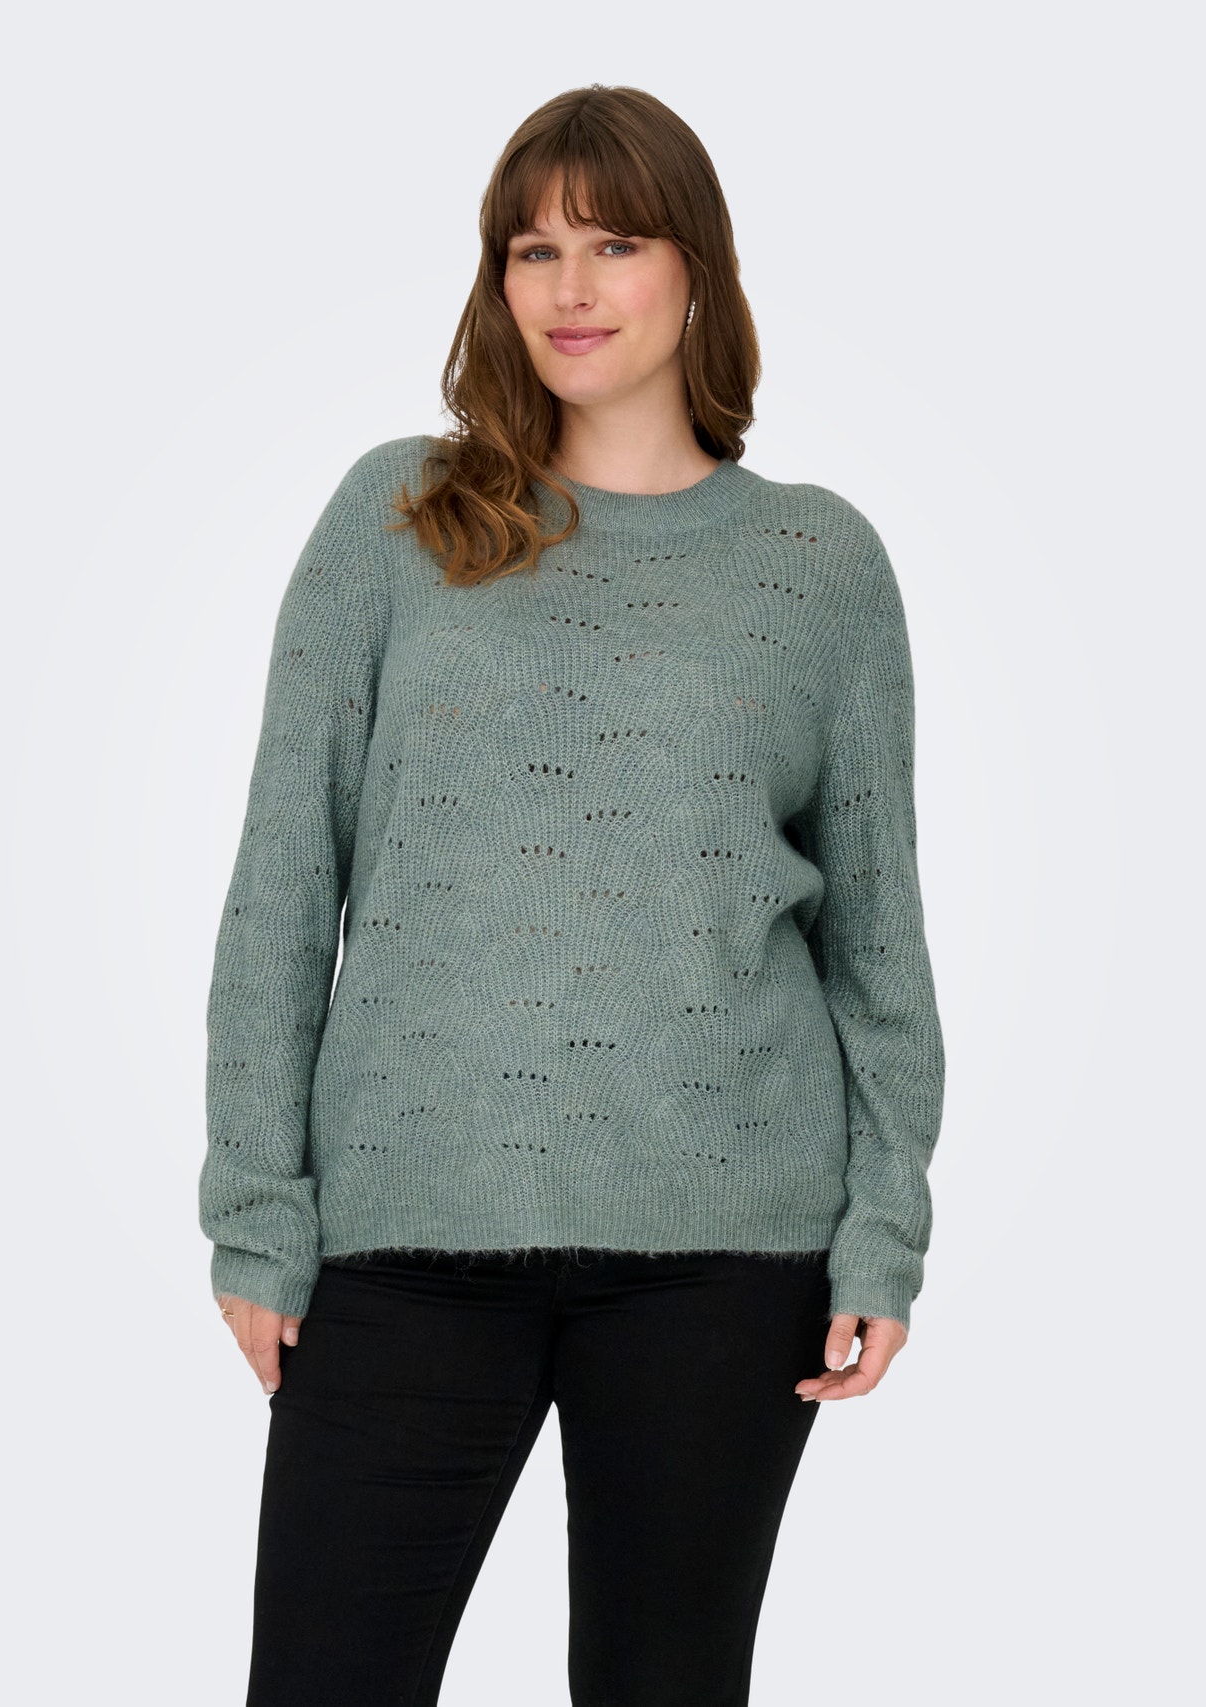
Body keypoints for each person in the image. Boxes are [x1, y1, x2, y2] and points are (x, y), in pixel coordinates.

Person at [200, 82, 946, 1707]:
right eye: (532, 250)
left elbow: (878, 946)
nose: (571, 288)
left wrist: (882, 1236)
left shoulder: (818, 565)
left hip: (728, 1247)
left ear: (697, 271)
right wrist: (257, 1210)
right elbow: (284, 880)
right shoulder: (400, 517)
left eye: (614, 244)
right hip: (406, 1228)